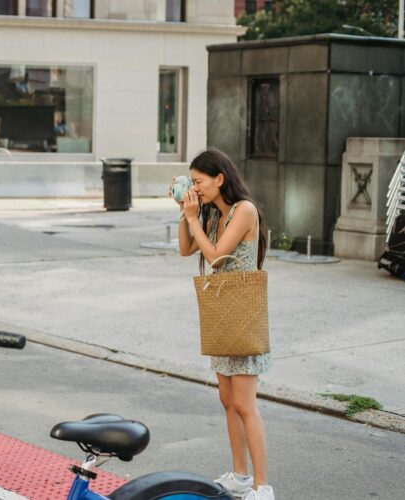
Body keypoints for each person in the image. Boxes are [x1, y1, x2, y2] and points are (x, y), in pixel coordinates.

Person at [174, 149, 274, 500]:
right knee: (228, 400)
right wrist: (185, 214)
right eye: (192, 183)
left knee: (246, 404)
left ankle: (263, 486)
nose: (196, 188)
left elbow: (215, 258)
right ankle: (239, 475)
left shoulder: (243, 211)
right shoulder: (214, 215)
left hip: (243, 316)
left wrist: (195, 218)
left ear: (220, 178)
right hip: (222, 315)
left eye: (199, 182)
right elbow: (186, 249)